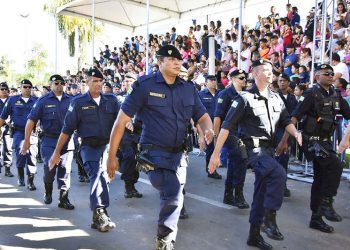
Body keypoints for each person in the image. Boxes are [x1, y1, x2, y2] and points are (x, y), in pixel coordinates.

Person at [106, 45, 213, 250]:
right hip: (153, 153)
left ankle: (165, 238)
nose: (177, 63)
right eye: (171, 60)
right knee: (172, 193)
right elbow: (120, 122)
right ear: (160, 62)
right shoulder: (144, 86)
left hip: (179, 155)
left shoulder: (188, 88)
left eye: (179, 60)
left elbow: (203, 116)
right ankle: (164, 241)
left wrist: (208, 130)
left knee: (178, 194)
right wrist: (112, 156)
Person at [209, 59, 301, 250]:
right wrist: (215, 154)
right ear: (256, 73)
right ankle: (269, 218)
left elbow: (285, 120)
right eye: (266, 70)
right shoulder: (244, 98)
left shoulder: (276, 98)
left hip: (269, 150)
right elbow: (227, 126)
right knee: (279, 174)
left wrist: (296, 134)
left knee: (260, 192)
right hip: (253, 150)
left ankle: (254, 234)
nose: (271, 73)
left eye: (272, 70)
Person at [49, 69, 120, 232]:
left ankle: (98, 216)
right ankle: (100, 210)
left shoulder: (112, 100)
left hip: (107, 147)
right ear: (87, 83)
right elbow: (67, 130)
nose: (99, 84)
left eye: (101, 81)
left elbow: (120, 122)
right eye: (94, 81)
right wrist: (57, 152)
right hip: (88, 146)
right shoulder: (78, 102)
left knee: (104, 179)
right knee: (96, 175)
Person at [284, 64, 350, 234]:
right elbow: (294, 117)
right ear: (316, 77)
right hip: (311, 141)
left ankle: (316, 218)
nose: (330, 76)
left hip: (326, 141)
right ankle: (327, 203)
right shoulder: (310, 94)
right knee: (335, 164)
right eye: (326, 74)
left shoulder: (336, 95)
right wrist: (285, 140)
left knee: (320, 179)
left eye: (332, 73)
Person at [21, 75, 74, 209]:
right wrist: (27, 140)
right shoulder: (43, 101)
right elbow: (31, 120)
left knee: (65, 169)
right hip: (49, 139)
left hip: (67, 140)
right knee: (50, 167)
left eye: (62, 82)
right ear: (51, 85)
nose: (59, 85)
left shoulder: (72, 100)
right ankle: (48, 191)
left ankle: (63, 199)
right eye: (56, 83)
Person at [214, 69, 249, 209]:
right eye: (241, 78)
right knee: (241, 160)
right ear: (233, 79)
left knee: (236, 164)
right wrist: (216, 140)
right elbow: (218, 117)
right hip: (230, 133)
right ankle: (238, 195)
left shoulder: (246, 94)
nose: (244, 80)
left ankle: (228, 195)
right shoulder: (225, 94)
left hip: (243, 133)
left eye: (245, 78)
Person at [0, 79, 38, 190]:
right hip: (18, 131)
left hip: (32, 133)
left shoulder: (37, 100)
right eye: (25, 87)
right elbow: (3, 115)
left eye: (29, 87)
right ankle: (21, 176)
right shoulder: (12, 100)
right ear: (20, 88)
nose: (27, 89)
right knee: (21, 153)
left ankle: (30, 181)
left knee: (32, 156)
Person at [275, 73, 298, 197]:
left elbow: (296, 114)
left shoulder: (292, 98)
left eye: (284, 80)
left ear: (289, 83)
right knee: (278, 159)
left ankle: (282, 184)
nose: (282, 83)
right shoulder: (273, 96)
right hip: (276, 130)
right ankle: (277, 185)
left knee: (284, 160)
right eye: (280, 81)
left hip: (289, 130)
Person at [198, 75, 222, 179]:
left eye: (214, 80)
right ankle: (211, 170)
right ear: (206, 82)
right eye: (211, 80)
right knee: (211, 148)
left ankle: (213, 167)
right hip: (207, 124)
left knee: (218, 147)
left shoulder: (220, 93)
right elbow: (197, 110)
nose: (213, 82)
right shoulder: (201, 94)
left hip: (219, 123)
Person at [0, 82, 14, 177]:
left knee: (8, 148)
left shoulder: (12, 100)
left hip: (8, 126)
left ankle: (7, 168)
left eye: (6, 89)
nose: (4, 91)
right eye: (2, 89)